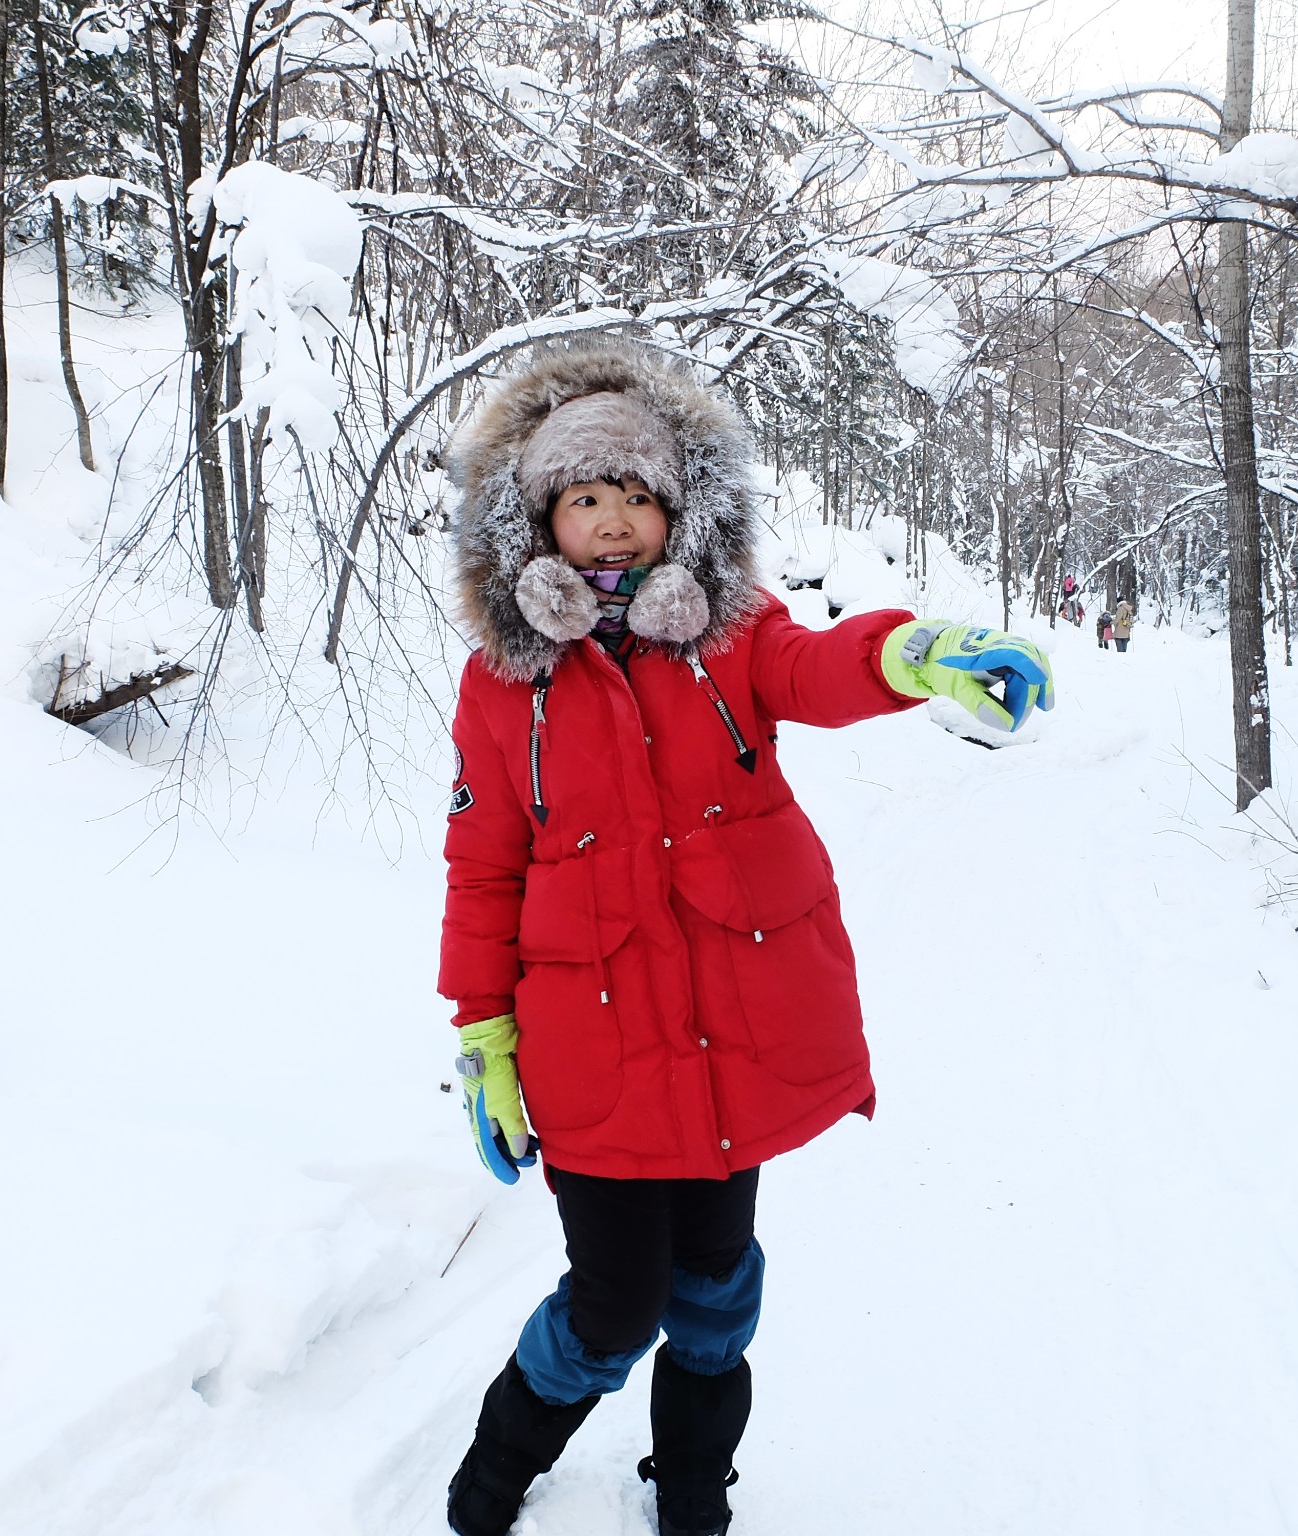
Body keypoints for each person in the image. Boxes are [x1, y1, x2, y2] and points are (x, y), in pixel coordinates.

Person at [434, 338, 1055, 1536]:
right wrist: (485, 1030)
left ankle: (694, 1493)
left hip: (729, 1037)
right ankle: (500, 1464)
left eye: (634, 498)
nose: (611, 525)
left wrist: (909, 653)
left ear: (675, 515)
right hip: (593, 1048)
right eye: (583, 500)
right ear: (539, 524)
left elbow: (821, 666)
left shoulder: (728, 635)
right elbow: (483, 861)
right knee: (613, 1306)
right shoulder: (503, 685)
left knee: (716, 1296)